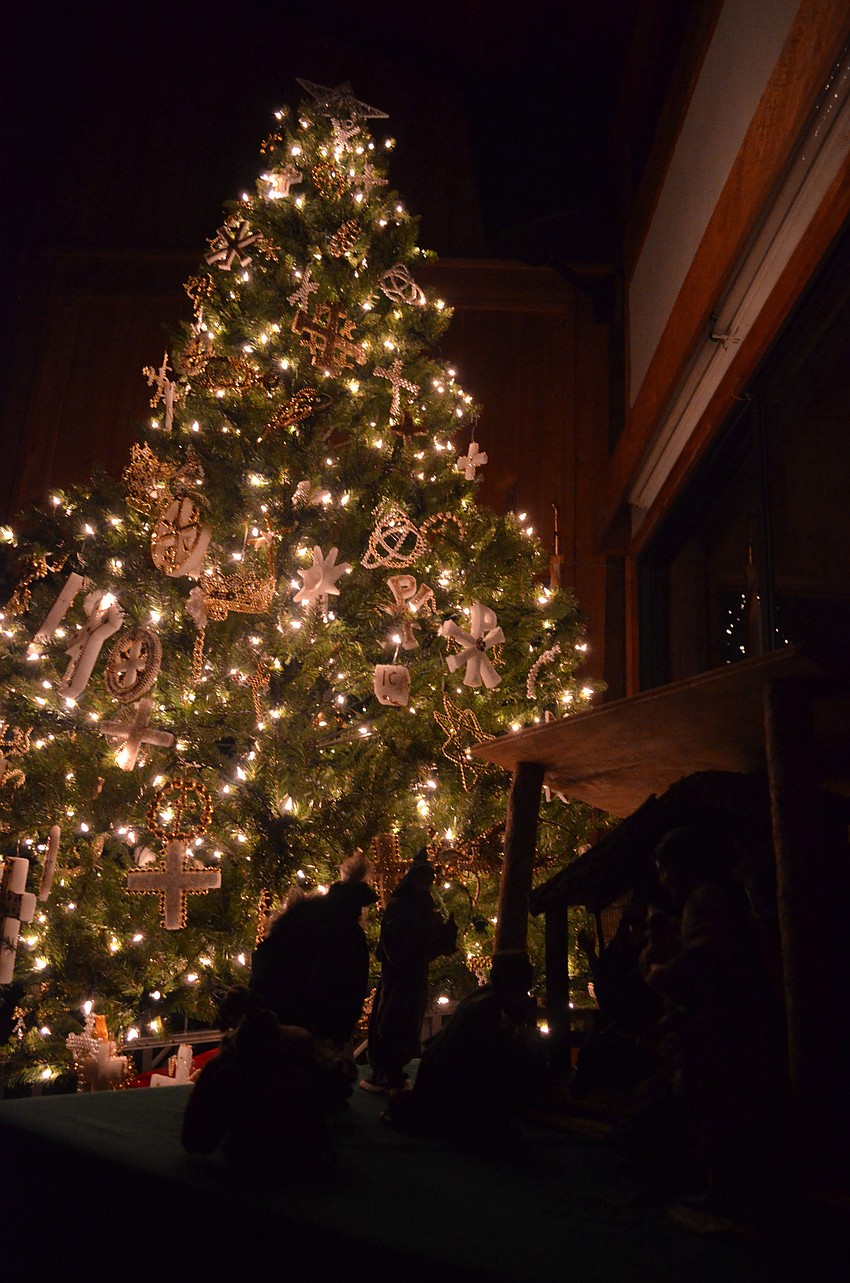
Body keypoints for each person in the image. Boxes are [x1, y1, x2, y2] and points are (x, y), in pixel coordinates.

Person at [644, 826, 787, 1226]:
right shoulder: (709, 900)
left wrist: (663, 974)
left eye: (664, 869)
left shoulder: (704, 901)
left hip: (721, 1027)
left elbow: (703, 957)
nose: (662, 879)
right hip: (726, 1023)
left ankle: (728, 1191)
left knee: (716, 1107)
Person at [181, 986, 355, 1179]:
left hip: (251, 1164)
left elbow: (196, 1140)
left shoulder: (228, 1064)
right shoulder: (301, 1043)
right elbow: (342, 1080)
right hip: (312, 1158)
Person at [382, 950, 539, 1144]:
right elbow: (487, 1064)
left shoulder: (483, 997)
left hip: (439, 1080)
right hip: (451, 1093)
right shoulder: (487, 1009)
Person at [250, 848, 378, 1050]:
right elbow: (348, 985)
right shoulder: (342, 930)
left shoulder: (308, 915)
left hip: (282, 1019)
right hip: (309, 1028)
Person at [361, 849, 458, 1093]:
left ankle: (397, 1069)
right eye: (420, 880)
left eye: (428, 881)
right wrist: (425, 929)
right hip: (398, 978)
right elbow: (394, 944)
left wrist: (446, 932)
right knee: (390, 1022)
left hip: (416, 978)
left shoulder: (426, 908)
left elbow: (432, 948)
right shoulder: (398, 906)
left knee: (409, 1023)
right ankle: (383, 1071)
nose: (424, 885)